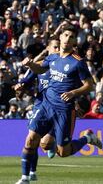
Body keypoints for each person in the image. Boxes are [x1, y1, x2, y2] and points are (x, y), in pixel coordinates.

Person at [16, 24, 103, 184]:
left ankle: (87, 138)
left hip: (64, 109)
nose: (67, 39)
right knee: (31, 139)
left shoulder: (78, 62)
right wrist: (30, 65)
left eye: (71, 37)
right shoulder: (52, 57)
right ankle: (25, 178)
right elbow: (40, 70)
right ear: (60, 37)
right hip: (45, 105)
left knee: (63, 151)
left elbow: (89, 85)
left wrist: (73, 93)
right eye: (65, 35)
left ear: (74, 41)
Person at [13, 38, 59, 181]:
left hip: (57, 109)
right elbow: (27, 81)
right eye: (55, 47)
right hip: (40, 106)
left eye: (59, 47)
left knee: (44, 143)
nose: (57, 50)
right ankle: (28, 174)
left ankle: (53, 142)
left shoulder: (66, 67)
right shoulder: (40, 66)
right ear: (49, 49)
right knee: (32, 139)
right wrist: (20, 85)